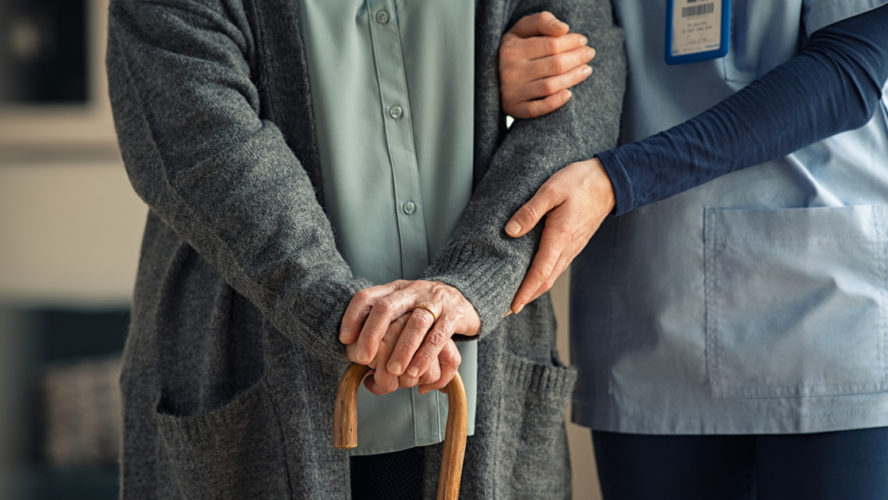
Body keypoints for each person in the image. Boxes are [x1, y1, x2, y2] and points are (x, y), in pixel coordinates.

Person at [105, 0, 624, 498]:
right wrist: (357, 318)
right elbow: (202, 142)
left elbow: (583, 91)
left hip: (481, 384)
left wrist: (471, 284)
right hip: (257, 381)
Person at [498, 2, 888, 498]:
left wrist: (621, 179)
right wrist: (501, 75)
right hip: (650, 313)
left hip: (827, 320)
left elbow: (849, 70)